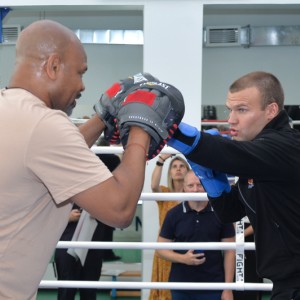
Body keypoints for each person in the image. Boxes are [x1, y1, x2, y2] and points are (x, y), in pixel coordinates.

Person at [0, 19, 184, 299]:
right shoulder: (45, 125)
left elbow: (52, 152)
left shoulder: (14, 112)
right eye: (79, 73)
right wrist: (140, 130)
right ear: (53, 66)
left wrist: (103, 118)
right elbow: (120, 210)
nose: (82, 85)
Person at [168, 71, 300, 299]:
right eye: (230, 109)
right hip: (285, 284)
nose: (231, 120)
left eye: (242, 110)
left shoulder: (285, 146)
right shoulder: (258, 161)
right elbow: (231, 212)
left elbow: (227, 152)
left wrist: (168, 129)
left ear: (271, 111)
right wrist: (210, 178)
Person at [55, 144, 121, 300]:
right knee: (66, 291)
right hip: (68, 243)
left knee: (89, 291)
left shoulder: (103, 179)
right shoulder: (62, 178)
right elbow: (46, 212)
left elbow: (114, 162)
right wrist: (66, 217)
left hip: (93, 243)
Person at [157, 170, 235, 300]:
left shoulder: (221, 213)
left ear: (206, 186)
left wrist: (228, 288)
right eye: (190, 186)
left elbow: (230, 252)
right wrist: (183, 258)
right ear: (184, 188)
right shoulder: (173, 214)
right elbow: (160, 250)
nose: (195, 190)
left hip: (213, 285)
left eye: (199, 185)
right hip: (181, 286)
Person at [149, 155, 190, 300]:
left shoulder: (194, 194)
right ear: (170, 173)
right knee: (165, 291)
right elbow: (153, 186)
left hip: (187, 247)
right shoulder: (165, 193)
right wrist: (161, 161)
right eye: (174, 167)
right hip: (166, 248)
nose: (178, 169)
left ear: (188, 171)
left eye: (182, 166)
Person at [234, 219, 262, 300]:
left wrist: (239, 236)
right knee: (234, 285)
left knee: (252, 283)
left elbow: (262, 219)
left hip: (251, 234)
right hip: (232, 233)